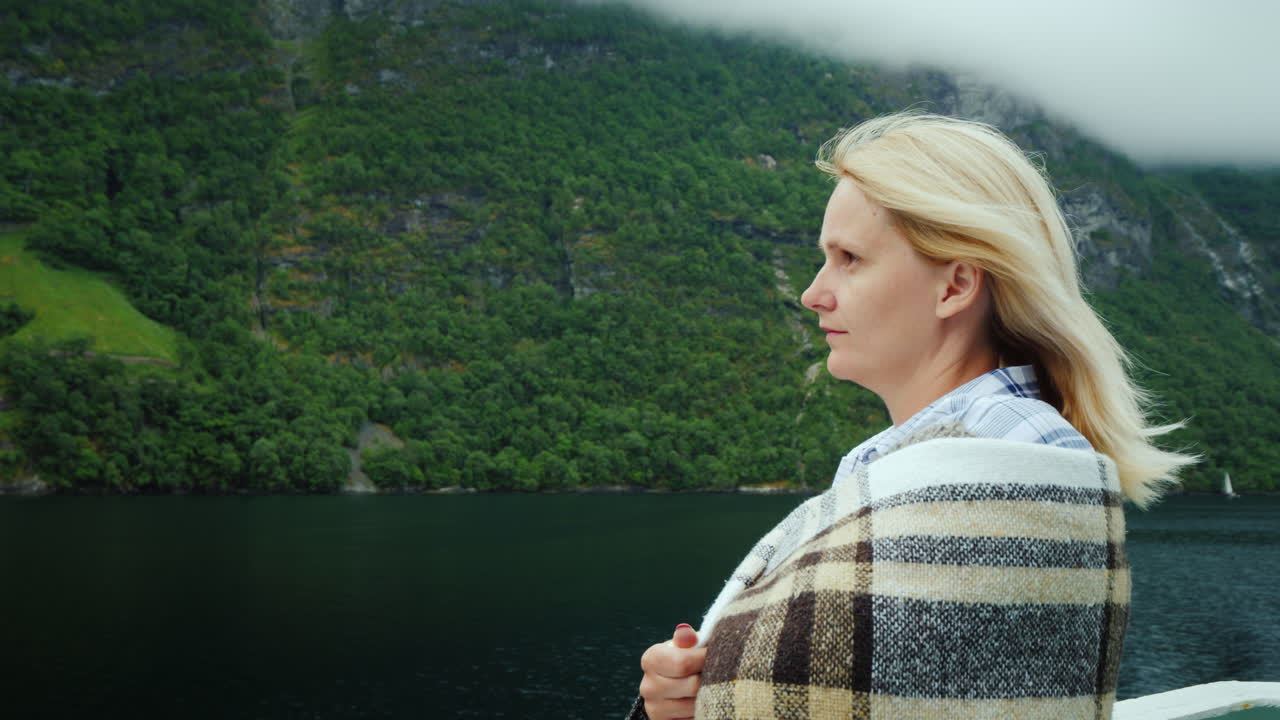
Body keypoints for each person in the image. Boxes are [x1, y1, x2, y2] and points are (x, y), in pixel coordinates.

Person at [628, 111, 1195, 720]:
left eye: (849, 258)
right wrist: (698, 693)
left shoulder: (1017, 453)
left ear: (954, 286)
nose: (813, 293)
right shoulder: (938, 457)